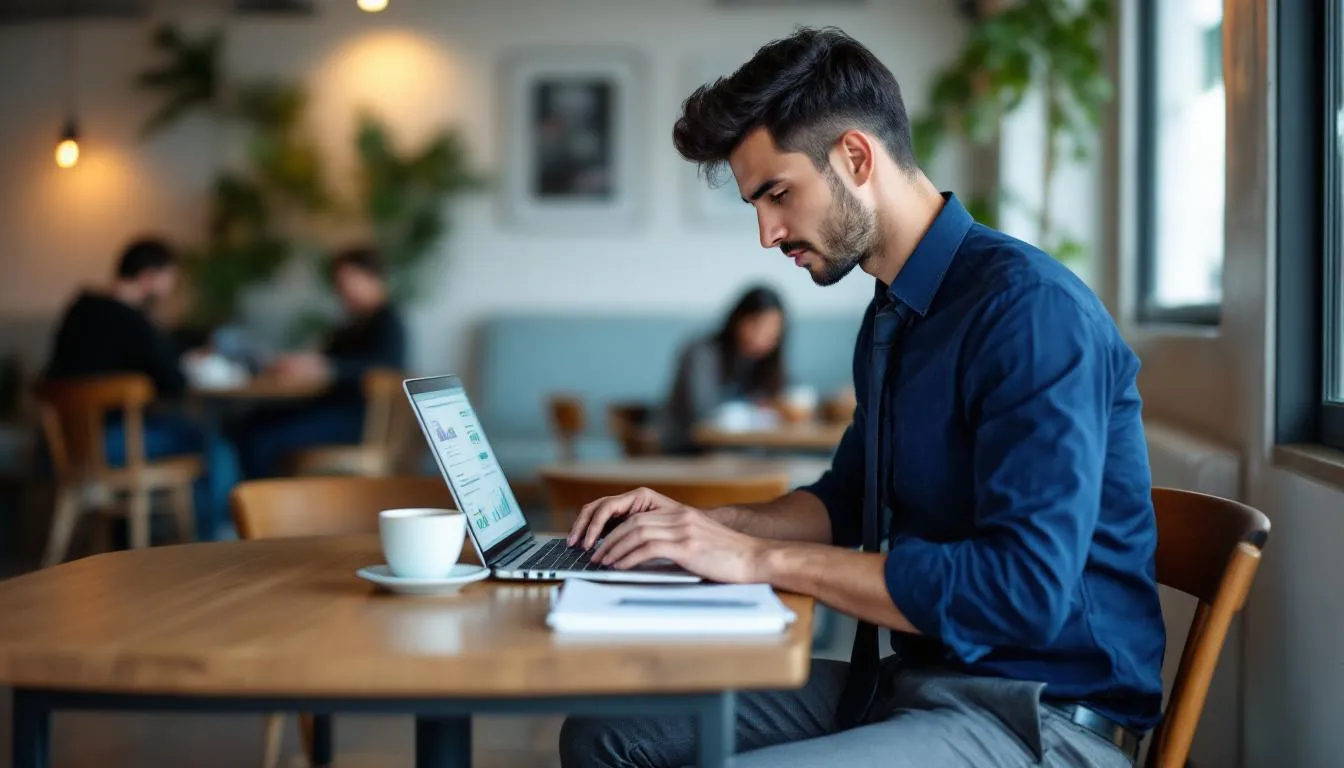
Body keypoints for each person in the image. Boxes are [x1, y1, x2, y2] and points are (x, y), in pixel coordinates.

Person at [559, 27, 1164, 768]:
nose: (767, 233)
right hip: (920, 686)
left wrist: (755, 559)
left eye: (777, 193)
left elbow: (1023, 591)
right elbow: (846, 501)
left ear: (854, 156)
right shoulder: (894, 314)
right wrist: (696, 529)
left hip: (1043, 719)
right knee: (604, 731)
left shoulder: (1028, 312)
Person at [42, 237, 241, 540]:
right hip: (113, 445)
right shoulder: (131, 322)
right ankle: (215, 541)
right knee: (215, 444)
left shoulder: (80, 310)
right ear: (149, 277)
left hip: (71, 448)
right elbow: (175, 383)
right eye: (167, 281)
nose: (168, 291)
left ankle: (151, 540)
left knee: (183, 433)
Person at [237, 245, 407, 479]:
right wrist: (303, 363)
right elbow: (324, 356)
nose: (341, 290)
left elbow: (386, 367)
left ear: (371, 277)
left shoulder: (388, 322)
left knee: (261, 437)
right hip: (332, 408)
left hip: (359, 420)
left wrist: (329, 369)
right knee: (253, 421)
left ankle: (265, 508)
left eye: (347, 280)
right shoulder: (352, 324)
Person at [659, 285, 788, 454]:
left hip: (740, 451)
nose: (764, 336)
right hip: (690, 449)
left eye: (773, 332)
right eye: (757, 325)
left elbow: (778, 400)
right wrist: (755, 411)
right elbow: (703, 413)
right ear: (737, 320)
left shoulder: (765, 363)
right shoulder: (702, 353)